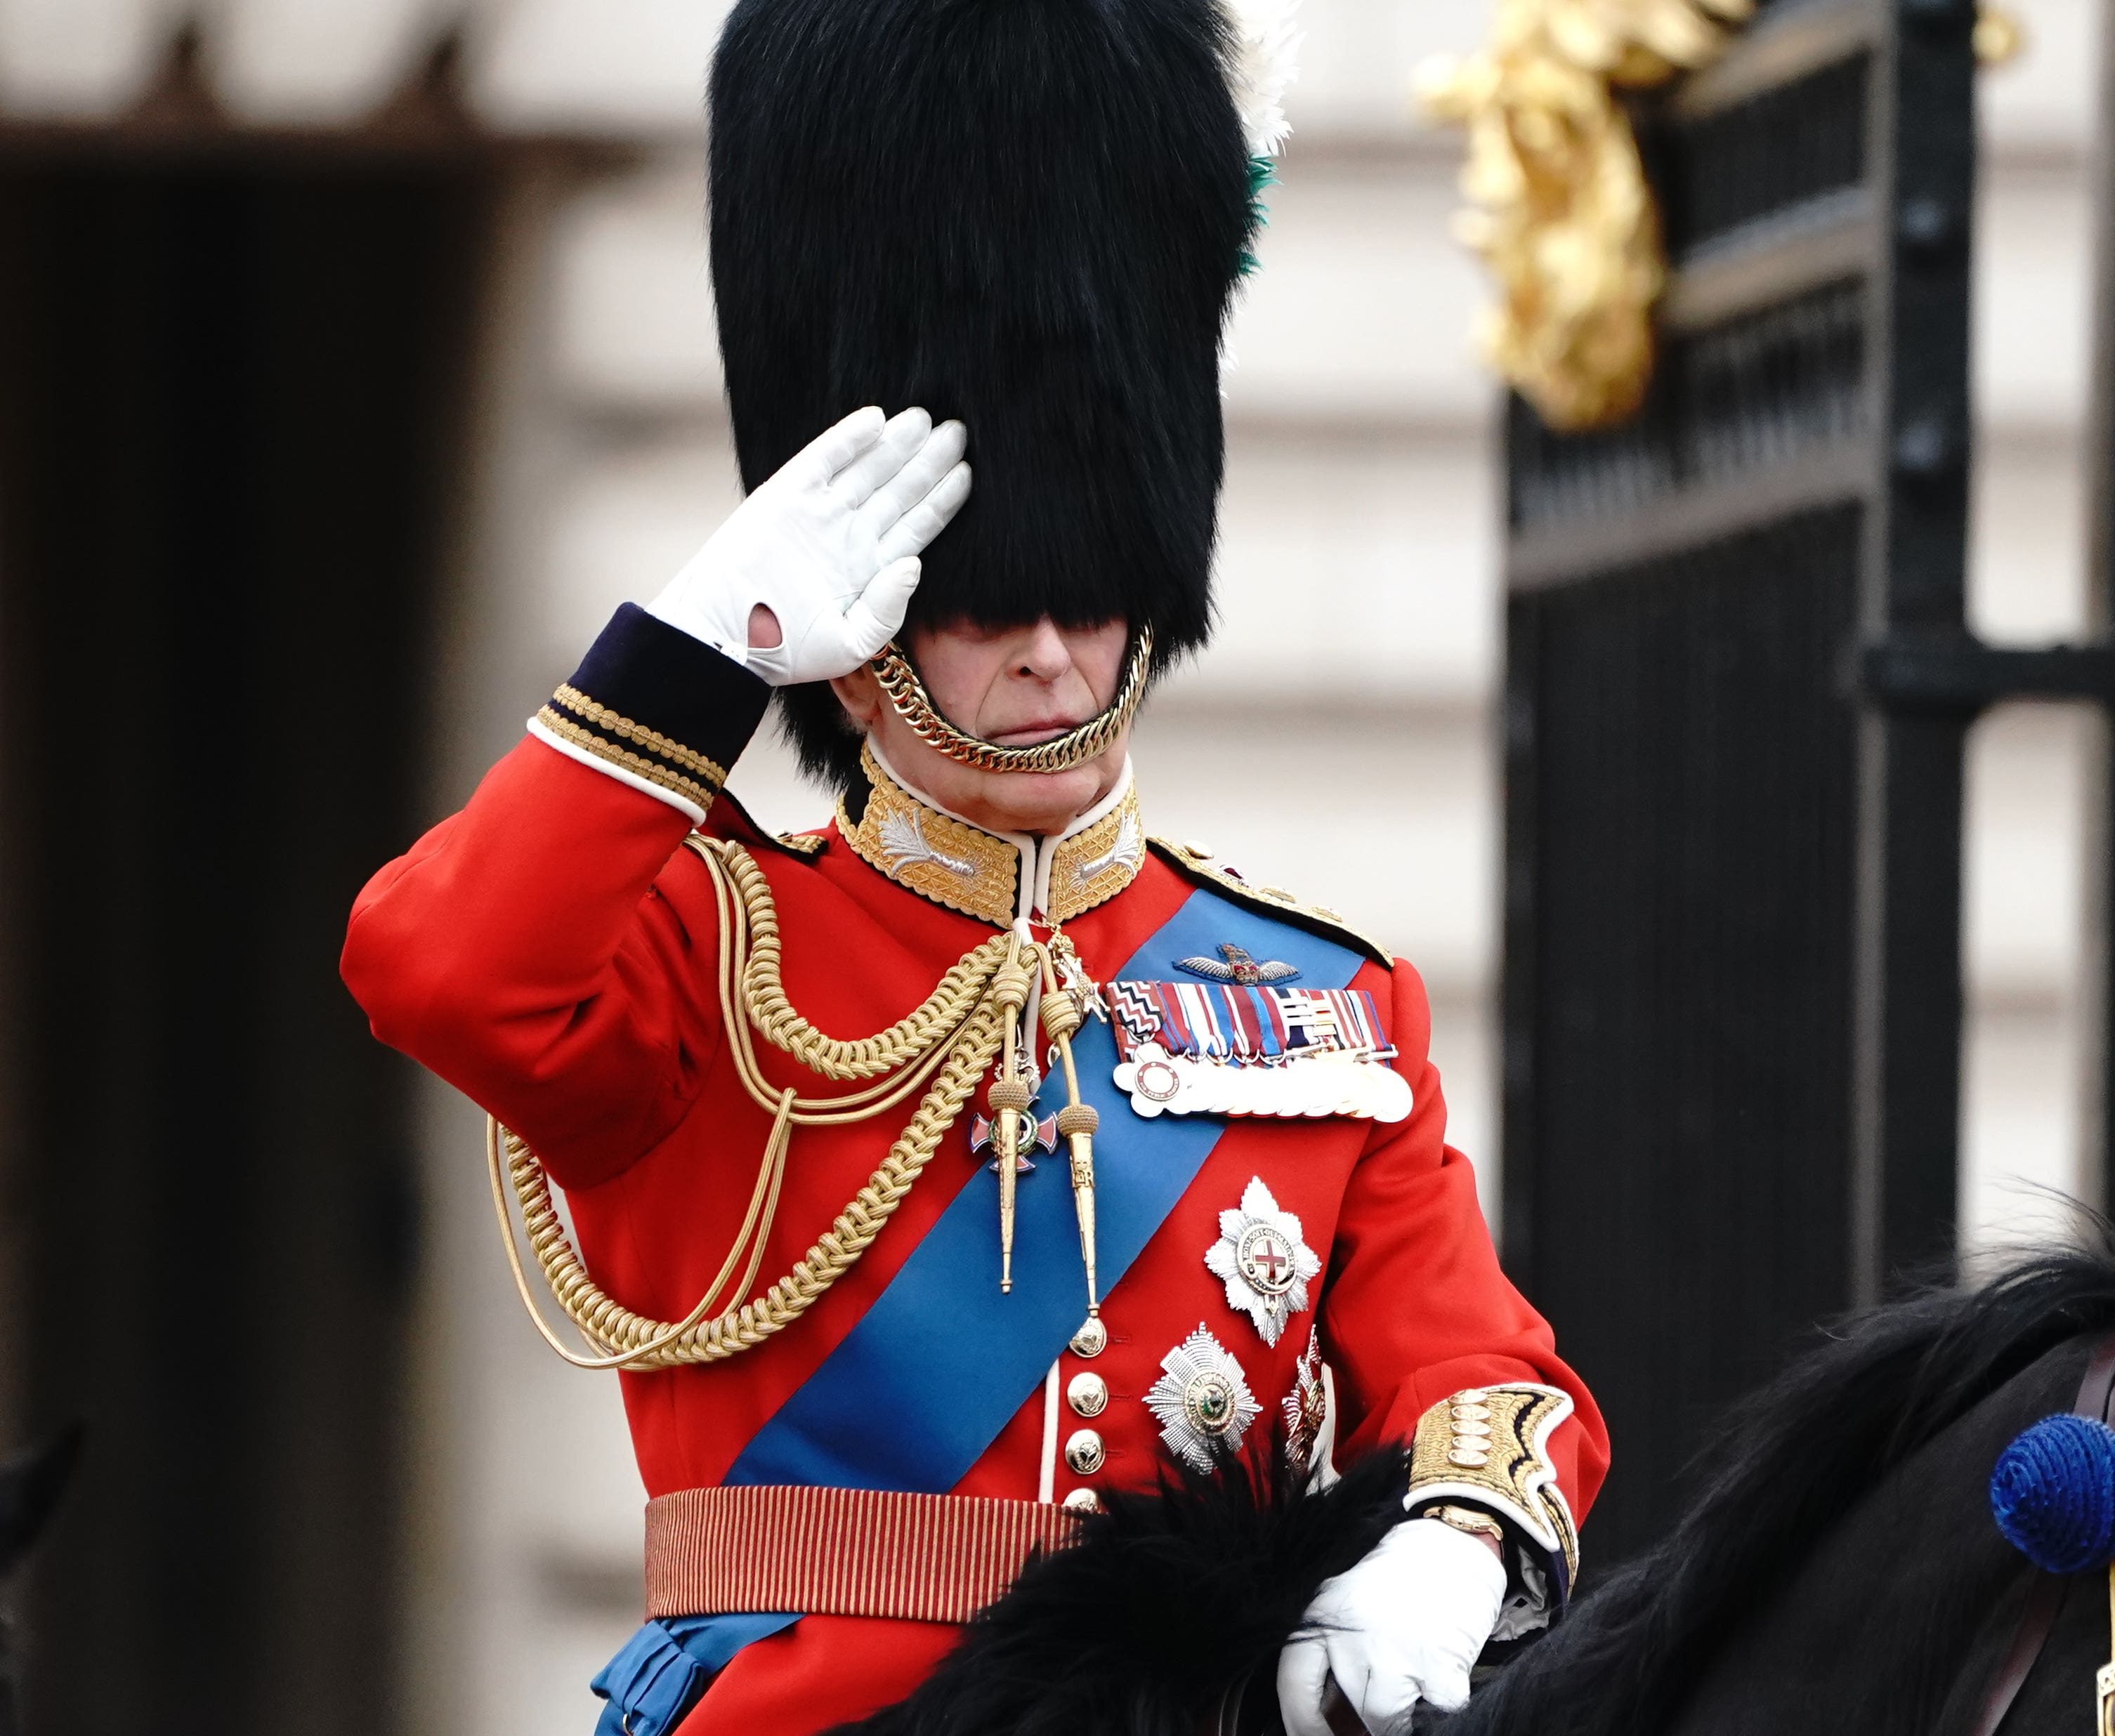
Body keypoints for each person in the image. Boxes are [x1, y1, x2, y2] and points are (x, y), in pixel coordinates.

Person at [340, 1, 1606, 1732]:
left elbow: (1480, 1370)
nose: (1049, 659)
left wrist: (1452, 1543)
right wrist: (698, 651)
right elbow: (438, 967)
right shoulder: (711, 945)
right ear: (869, 629)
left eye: (1087, 596)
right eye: (982, 606)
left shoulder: (1319, 1002)